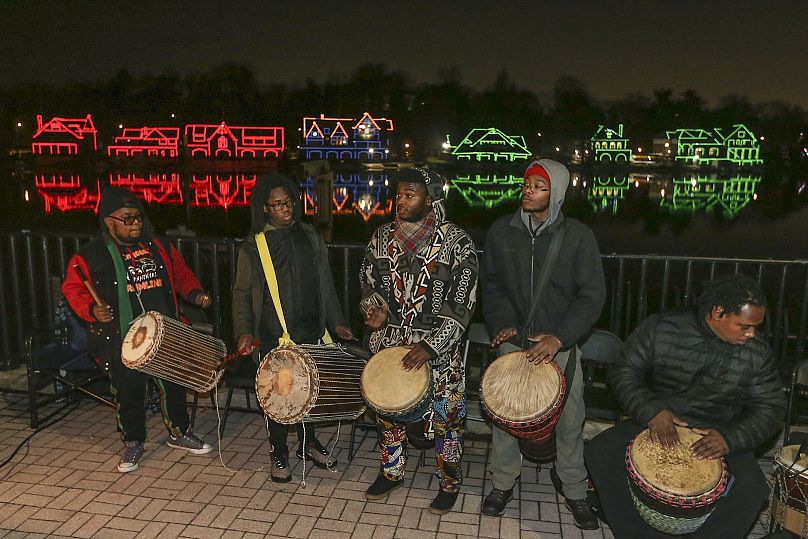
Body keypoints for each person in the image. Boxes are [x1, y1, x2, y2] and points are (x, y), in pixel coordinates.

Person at [585, 274, 786, 538]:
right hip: (657, 421)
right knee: (600, 452)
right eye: (744, 326)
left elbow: (771, 407)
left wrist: (729, 438)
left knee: (752, 488)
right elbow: (624, 370)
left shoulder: (756, 353)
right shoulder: (663, 328)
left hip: (716, 431)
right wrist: (651, 410)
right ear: (718, 312)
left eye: (755, 327)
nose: (752, 334)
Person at [481, 159, 605, 529]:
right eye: (527, 183)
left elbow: (592, 296)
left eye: (539, 186)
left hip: (560, 347)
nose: (528, 190)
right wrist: (501, 324)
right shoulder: (502, 231)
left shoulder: (578, 236)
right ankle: (503, 484)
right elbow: (492, 285)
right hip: (514, 343)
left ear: (558, 194)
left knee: (570, 420)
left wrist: (560, 337)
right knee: (505, 419)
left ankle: (574, 490)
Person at [61, 186, 214, 473]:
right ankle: (133, 441)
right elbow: (72, 287)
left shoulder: (159, 246)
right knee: (129, 391)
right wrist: (92, 310)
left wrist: (194, 293)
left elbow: (180, 274)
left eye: (138, 218)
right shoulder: (91, 255)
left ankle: (179, 433)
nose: (135, 224)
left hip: (163, 331)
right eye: (127, 219)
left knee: (173, 384)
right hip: (123, 336)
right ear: (108, 221)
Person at [360, 167, 478, 515]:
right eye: (399, 193)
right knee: (388, 415)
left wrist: (430, 347)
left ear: (431, 198)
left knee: (446, 419)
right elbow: (367, 286)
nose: (402, 200)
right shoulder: (380, 239)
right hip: (391, 347)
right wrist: (373, 312)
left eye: (411, 193)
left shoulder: (457, 243)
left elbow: (463, 303)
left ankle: (449, 482)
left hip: (438, 354)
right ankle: (392, 471)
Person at [232, 173, 353, 483]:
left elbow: (325, 282)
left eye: (289, 202)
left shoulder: (310, 235)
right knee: (279, 394)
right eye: (277, 205)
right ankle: (278, 450)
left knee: (309, 390)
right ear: (264, 208)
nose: (285, 209)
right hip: (274, 334)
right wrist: (243, 330)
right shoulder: (254, 245)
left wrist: (337, 320)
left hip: (310, 328)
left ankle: (308, 443)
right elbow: (242, 292)